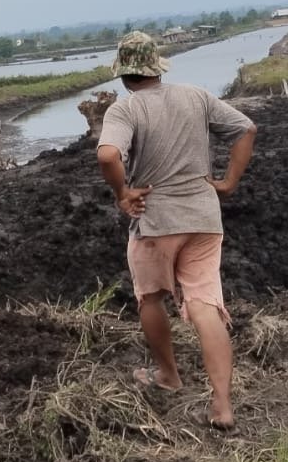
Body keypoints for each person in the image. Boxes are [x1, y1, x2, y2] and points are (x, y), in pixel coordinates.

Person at [96, 31, 257, 429]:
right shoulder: (196, 96)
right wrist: (229, 181)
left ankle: (168, 375)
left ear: (124, 74)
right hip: (204, 218)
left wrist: (123, 192)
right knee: (205, 307)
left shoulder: (125, 109)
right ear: (156, 68)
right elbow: (246, 129)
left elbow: (107, 155)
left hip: (156, 221)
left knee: (151, 298)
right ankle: (222, 405)